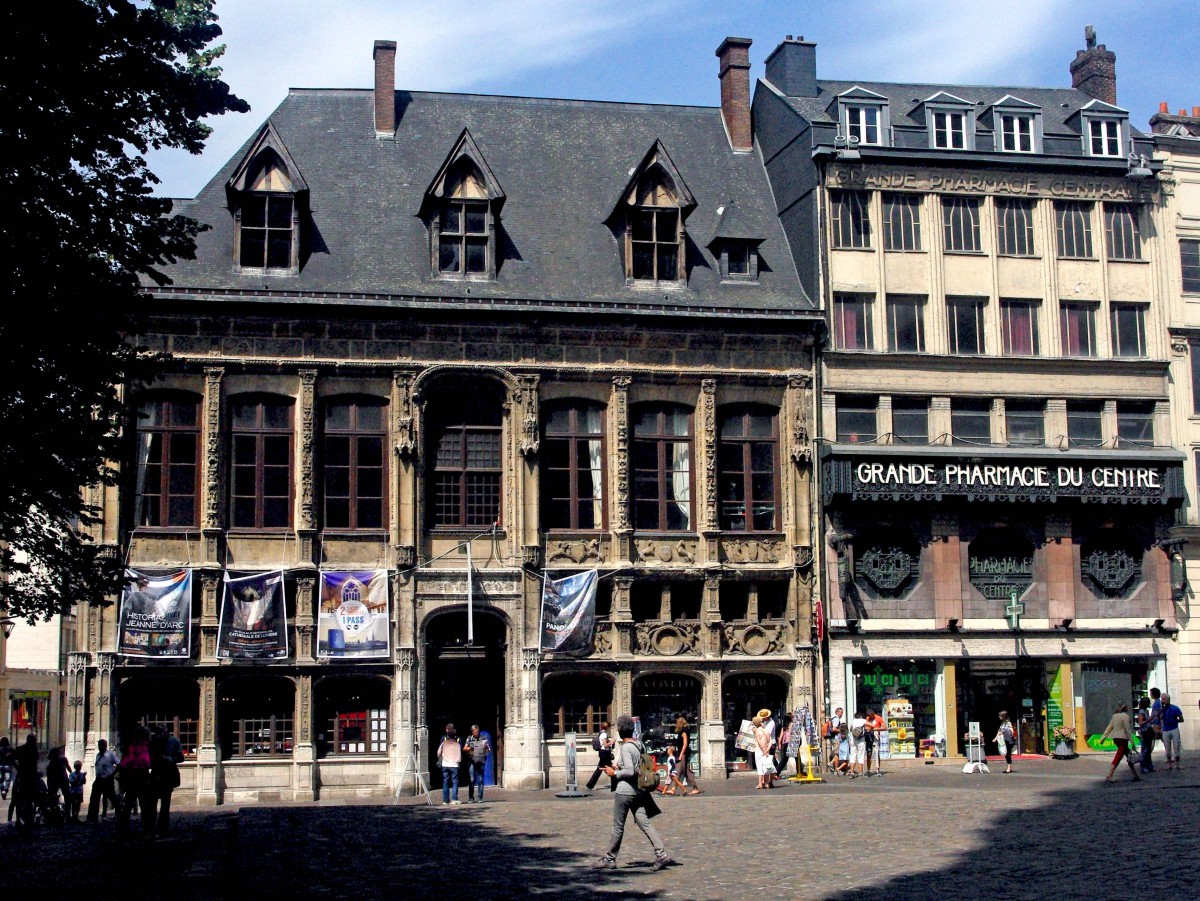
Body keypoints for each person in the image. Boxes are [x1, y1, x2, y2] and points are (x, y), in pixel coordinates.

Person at [593, 714, 674, 871]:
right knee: (645, 823)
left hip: (625, 791)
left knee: (618, 826)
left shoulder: (626, 747)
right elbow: (636, 767)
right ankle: (661, 854)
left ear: (620, 731)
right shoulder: (639, 745)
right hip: (639, 790)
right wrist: (619, 768)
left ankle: (610, 858)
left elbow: (630, 771)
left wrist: (614, 773)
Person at [117, 725, 154, 836]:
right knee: (145, 806)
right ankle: (147, 829)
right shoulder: (146, 748)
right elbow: (148, 762)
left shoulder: (130, 748)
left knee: (128, 806)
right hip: (142, 778)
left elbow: (124, 763)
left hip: (132, 779)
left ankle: (124, 829)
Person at [149, 723, 184, 835]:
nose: (159, 735)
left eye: (161, 733)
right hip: (155, 775)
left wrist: (169, 759)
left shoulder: (173, 741)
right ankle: (152, 828)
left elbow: (181, 757)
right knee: (152, 804)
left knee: (165, 804)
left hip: (167, 776)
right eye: (157, 733)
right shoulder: (152, 741)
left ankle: (163, 827)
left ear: (165, 731)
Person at [1101, 703, 1141, 783]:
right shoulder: (1126, 716)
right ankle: (1110, 775)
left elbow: (1109, 728)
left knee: (1129, 756)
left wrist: (1103, 738)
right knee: (1118, 757)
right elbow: (1128, 730)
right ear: (1125, 708)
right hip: (1122, 739)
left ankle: (1135, 775)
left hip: (1115, 738)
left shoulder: (1114, 716)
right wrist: (1132, 743)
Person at [87, 738, 120, 823]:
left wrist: (113, 773)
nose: (99, 747)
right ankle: (92, 816)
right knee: (94, 798)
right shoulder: (98, 755)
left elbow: (119, 764)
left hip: (107, 779)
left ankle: (119, 813)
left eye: (101, 745)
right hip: (98, 779)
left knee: (112, 797)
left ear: (105, 746)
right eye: (99, 745)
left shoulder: (110, 755)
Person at [12, 734, 40, 830]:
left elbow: (11, 757)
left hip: (23, 776)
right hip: (30, 777)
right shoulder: (33, 750)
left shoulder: (20, 749)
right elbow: (35, 763)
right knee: (29, 799)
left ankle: (18, 820)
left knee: (20, 799)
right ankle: (29, 820)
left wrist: (18, 767)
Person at [672, 715, 702, 796]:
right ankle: (695, 788)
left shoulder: (684, 731)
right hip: (683, 753)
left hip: (683, 753)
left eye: (677, 723)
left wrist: (681, 755)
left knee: (678, 771)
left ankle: (674, 789)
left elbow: (685, 744)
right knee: (686, 771)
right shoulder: (683, 731)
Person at [464, 724, 491, 803]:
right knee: (471, 779)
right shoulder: (469, 738)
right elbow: (464, 748)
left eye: (477, 732)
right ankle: (471, 797)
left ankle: (480, 797)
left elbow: (488, 748)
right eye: (474, 732)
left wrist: (486, 748)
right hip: (472, 761)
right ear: (472, 732)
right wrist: (472, 747)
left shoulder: (483, 738)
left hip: (480, 760)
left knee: (480, 779)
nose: (475, 733)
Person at [436, 723, 462, 805]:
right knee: (454, 782)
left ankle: (445, 800)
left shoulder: (443, 742)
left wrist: (441, 758)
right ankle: (454, 799)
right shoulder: (458, 741)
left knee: (445, 782)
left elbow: (438, 752)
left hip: (445, 763)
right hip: (454, 764)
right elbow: (460, 752)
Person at [585, 720, 614, 792]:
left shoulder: (602, 733)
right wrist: (612, 741)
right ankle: (615, 786)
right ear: (607, 727)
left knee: (600, 769)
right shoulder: (604, 734)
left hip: (604, 753)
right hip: (604, 753)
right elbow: (605, 745)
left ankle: (590, 785)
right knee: (606, 768)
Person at [1160, 693, 1184, 771]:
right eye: (1162, 699)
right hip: (1165, 730)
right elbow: (1159, 718)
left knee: (1176, 746)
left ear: (1168, 699)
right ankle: (1169, 764)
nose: (1162, 701)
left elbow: (1181, 719)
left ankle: (1178, 764)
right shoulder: (1161, 710)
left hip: (1174, 729)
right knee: (1167, 747)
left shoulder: (1175, 708)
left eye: (1164, 699)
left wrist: (1174, 720)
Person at [46, 745, 71, 814]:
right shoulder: (51, 764)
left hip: (62, 781)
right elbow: (49, 777)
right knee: (55, 797)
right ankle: (55, 812)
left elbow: (69, 768)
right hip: (57, 781)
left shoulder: (62, 760)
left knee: (67, 797)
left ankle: (66, 813)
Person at [1135, 697, 1156, 774]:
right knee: (1145, 750)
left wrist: (1153, 719)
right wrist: (1149, 719)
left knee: (1148, 750)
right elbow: (1141, 723)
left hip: (1147, 732)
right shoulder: (1141, 712)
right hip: (1144, 732)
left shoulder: (1144, 711)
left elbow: (1148, 722)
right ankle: (1143, 767)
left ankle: (1149, 766)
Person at [752, 715, 773, 789]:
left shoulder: (757, 731)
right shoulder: (766, 730)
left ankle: (760, 783)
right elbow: (770, 741)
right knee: (766, 767)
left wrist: (764, 750)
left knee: (760, 767)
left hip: (759, 751)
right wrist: (767, 749)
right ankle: (767, 783)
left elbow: (759, 742)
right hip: (767, 750)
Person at [864, 708, 886, 776]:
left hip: (876, 736)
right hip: (869, 736)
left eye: (871, 716)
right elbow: (865, 726)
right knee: (869, 753)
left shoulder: (878, 718)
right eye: (869, 716)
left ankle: (878, 769)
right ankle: (868, 769)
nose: (870, 717)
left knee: (877, 753)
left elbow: (885, 727)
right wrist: (866, 728)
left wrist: (875, 729)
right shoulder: (867, 718)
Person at [848, 711, 868, 778]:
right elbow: (872, 725)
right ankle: (860, 773)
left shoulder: (853, 721)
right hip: (860, 740)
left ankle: (852, 773)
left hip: (853, 740)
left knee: (852, 756)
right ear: (861, 716)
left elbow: (850, 729)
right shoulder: (863, 720)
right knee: (860, 756)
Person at [825, 707, 844, 773]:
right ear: (837, 712)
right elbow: (834, 729)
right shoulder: (836, 719)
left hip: (832, 738)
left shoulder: (832, 718)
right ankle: (832, 764)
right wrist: (841, 731)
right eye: (841, 713)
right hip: (835, 738)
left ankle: (833, 764)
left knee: (837, 752)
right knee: (837, 753)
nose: (842, 714)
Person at [0, 737, 13, 801]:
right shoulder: (10, 749)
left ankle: (2, 790)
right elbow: (14, 757)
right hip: (8, 766)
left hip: (0, 766)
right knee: (7, 779)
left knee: (0, 779)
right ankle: (5, 790)